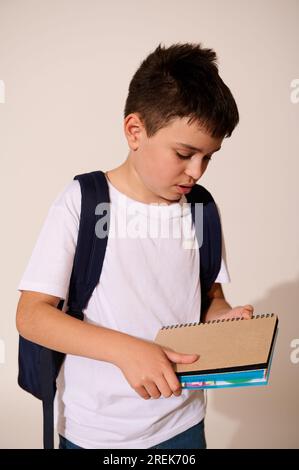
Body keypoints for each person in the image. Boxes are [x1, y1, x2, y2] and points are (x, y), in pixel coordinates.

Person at [16, 42, 254, 449]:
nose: (196, 171)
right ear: (135, 131)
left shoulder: (200, 208)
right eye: (184, 153)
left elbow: (210, 295)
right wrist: (127, 351)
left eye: (208, 158)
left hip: (183, 421)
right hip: (96, 432)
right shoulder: (83, 201)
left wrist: (224, 319)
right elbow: (31, 316)